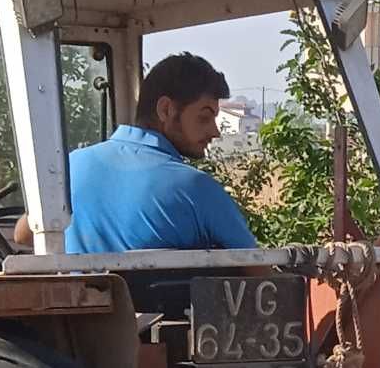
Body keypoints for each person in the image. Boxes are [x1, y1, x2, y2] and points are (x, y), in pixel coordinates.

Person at [64, 52, 258, 255]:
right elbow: (259, 272)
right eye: (204, 117)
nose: (215, 132)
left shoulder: (70, 167)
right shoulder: (196, 188)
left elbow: (30, 234)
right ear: (166, 110)